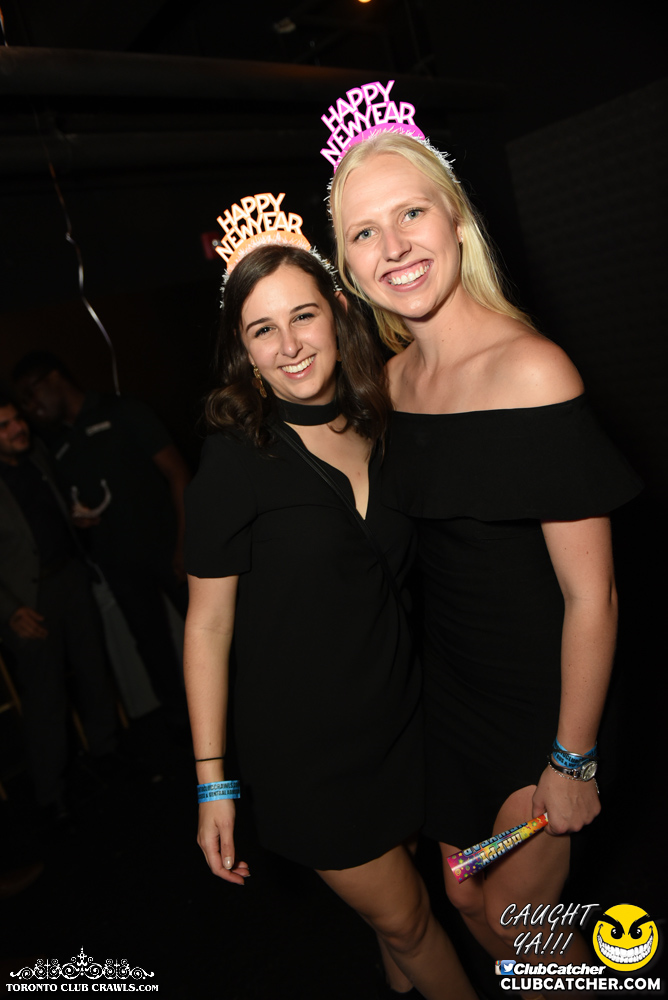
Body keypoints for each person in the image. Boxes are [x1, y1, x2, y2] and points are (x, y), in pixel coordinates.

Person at [329, 131, 642, 982]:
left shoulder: (533, 371)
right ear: (348, 265)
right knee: (467, 901)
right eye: (364, 232)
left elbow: (595, 596)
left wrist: (573, 758)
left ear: (457, 220)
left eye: (411, 213)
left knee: (517, 919)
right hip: (454, 697)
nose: (394, 247)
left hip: (544, 701)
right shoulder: (394, 384)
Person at [183, 242, 476, 999]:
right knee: (411, 922)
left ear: (338, 311)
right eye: (262, 329)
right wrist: (213, 783)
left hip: (403, 717)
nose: (289, 345)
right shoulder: (235, 460)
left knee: (398, 922)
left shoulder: (380, 419)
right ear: (243, 348)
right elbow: (207, 628)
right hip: (309, 757)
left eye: (303, 316)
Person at [12, 353, 191, 713]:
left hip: (170, 548)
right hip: (118, 564)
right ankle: (180, 723)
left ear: (54, 379)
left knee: (207, 629)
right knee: (151, 646)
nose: (30, 409)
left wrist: (186, 543)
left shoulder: (123, 410)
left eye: (31, 395)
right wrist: (77, 517)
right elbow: (71, 503)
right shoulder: (54, 445)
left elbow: (178, 474)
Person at [0, 392, 118, 818]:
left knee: (94, 671)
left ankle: (109, 756)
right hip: (27, 602)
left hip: (69, 576)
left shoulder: (36, 455)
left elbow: (49, 514)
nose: (19, 428)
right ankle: (51, 796)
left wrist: (75, 518)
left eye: (17, 419)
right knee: (45, 697)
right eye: (4, 426)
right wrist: (9, 611)